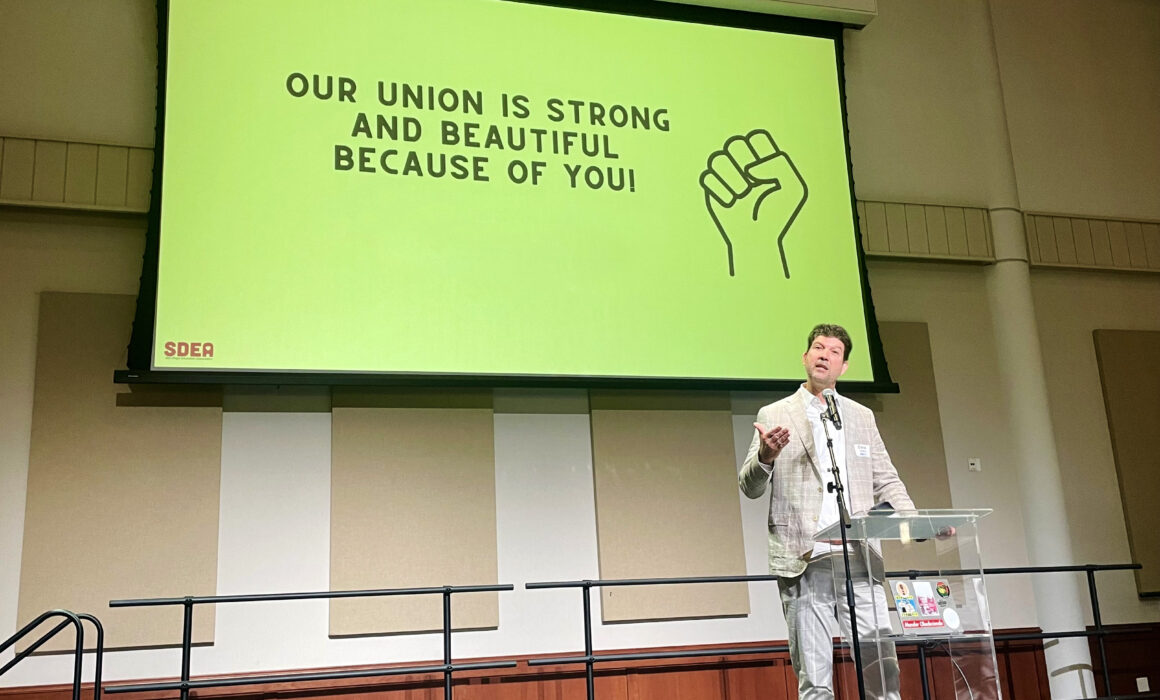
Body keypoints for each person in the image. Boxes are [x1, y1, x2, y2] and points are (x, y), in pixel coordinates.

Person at [738, 323, 915, 700]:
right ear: (805, 358)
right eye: (818, 347)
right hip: (805, 560)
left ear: (844, 366)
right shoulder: (774, 413)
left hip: (859, 558)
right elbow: (749, 486)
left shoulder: (860, 416)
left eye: (834, 351)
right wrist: (766, 456)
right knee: (815, 681)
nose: (824, 355)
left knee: (882, 674)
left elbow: (886, 479)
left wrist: (912, 519)